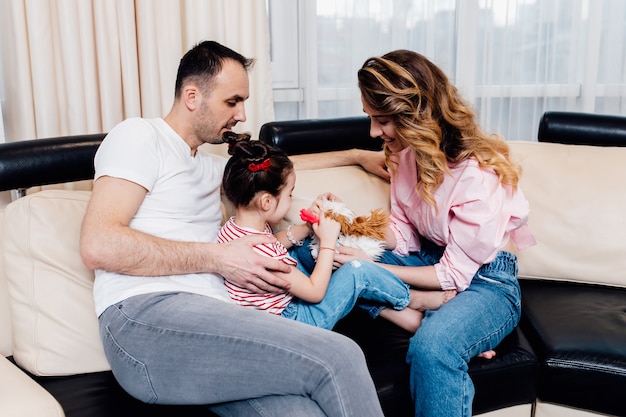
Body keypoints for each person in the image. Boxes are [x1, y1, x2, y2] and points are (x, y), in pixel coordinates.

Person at [79, 40, 388, 417]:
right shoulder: (139, 136)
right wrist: (220, 257)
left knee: (299, 411)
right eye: (233, 101)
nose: (242, 114)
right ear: (192, 96)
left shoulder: (208, 167)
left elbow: (281, 170)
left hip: (217, 326)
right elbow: (98, 243)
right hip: (146, 321)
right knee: (339, 355)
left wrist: (355, 156)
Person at [327, 50, 537, 417]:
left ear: (415, 114)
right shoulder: (405, 155)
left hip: (486, 282)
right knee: (325, 257)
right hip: (430, 260)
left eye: (383, 120)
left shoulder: (476, 174)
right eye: (371, 118)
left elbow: (453, 275)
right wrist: (346, 227)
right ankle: (432, 315)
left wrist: (370, 270)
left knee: (433, 348)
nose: (374, 132)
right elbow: (405, 236)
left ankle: (445, 324)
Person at [217, 133, 455, 332]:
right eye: (289, 194)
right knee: (355, 270)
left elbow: (273, 242)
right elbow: (314, 292)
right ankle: (413, 298)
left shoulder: (235, 230)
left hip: (279, 313)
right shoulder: (266, 257)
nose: (291, 200)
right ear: (267, 202)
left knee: (302, 250)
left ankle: (398, 307)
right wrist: (328, 242)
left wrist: (306, 228)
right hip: (297, 323)